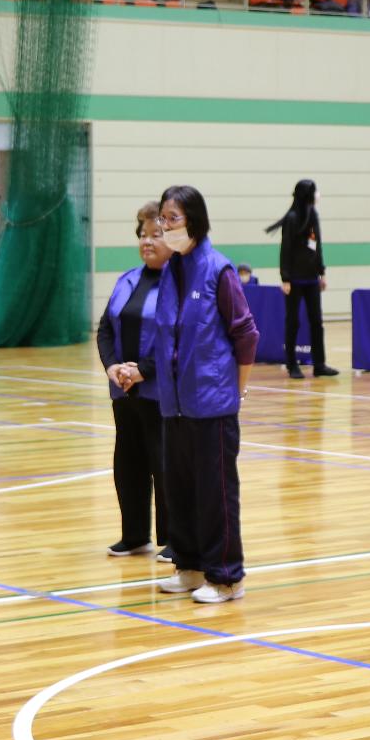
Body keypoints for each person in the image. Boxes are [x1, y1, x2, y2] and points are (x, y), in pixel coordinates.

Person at [152, 185, 258, 604]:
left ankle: (227, 577)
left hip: (213, 404)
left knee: (215, 494)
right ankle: (191, 566)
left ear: (194, 220)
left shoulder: (219, 270)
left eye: (172, 218)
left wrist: (239, 388)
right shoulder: (170, 270)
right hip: (175, 404)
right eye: (162, 218)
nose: (165, 226)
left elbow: (246, 334)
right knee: (180, 489)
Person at [98, 204, 171, 558]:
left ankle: (174, 540)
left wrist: (145, 369)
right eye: (143, 234)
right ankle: (134, 534)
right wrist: (113, 367)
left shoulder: (179, 284)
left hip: (161, 391)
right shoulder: (126, 279)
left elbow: (179, 338)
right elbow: (105, 330)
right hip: (123, 390)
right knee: (127, 461)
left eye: (156, 235)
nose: (147, 241)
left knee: (164, 463)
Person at [264, 179, 336, 379]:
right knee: (293, 322)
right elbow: (285, 250)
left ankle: (319, 364)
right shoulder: (292, 218)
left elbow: (317, 244)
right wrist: (285, 278)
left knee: (316, 321)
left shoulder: (313, 215)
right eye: (315, 191)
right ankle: (291, 364)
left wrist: (321, 272)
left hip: (312, 279)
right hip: (294, 280)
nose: (318, 194)